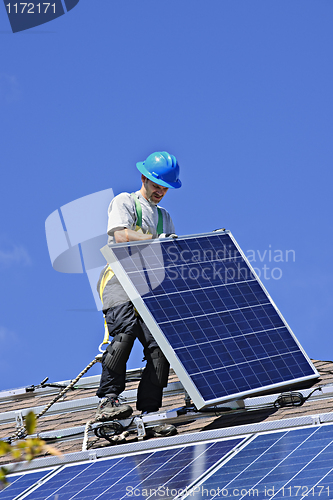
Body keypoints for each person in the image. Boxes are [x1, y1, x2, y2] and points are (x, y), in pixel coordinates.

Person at [95, 151, 181, 427]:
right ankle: (109, 400)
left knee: (160, 347)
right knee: (125, 333)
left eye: (165, 188)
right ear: (144, 178)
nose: (160, 192)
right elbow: (120, 236)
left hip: (149, 286)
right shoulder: (125, 202)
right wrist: (157, 240)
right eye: (156, 185)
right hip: (120, 281)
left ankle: (149, 409)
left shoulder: (164, 216)